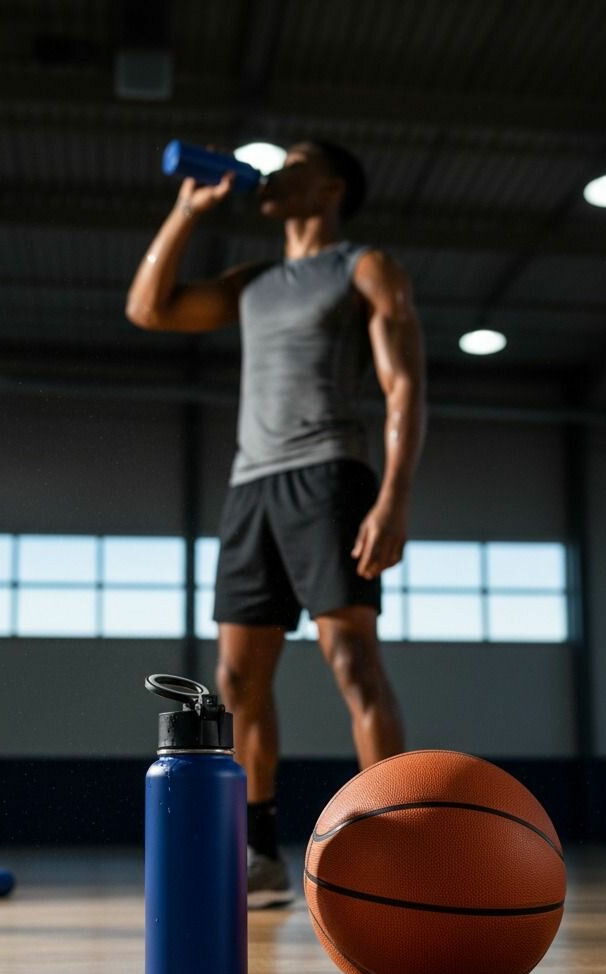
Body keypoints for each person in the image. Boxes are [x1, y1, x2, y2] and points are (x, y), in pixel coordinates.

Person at [127, 141, 426, 908]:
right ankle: (260, 850)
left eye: (289, 160)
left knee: (352, 660)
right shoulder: (253, 281)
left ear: (329, 186)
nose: (271, 171)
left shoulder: (365, 266)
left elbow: (403, 387)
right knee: (234, 682)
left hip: (331, 473)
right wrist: (187, 212)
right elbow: (149, 308)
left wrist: (392, 497)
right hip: (250, 487)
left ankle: (386, 846)